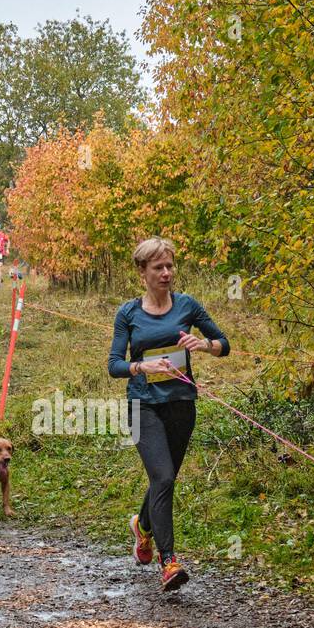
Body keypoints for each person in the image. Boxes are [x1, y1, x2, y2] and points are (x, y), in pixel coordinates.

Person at [107, 237, 230, 591]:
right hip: (142, 405)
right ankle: (169, 561)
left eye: (170, 266)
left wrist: (204, 344)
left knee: (166, 478)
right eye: (158, 267)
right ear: (142, 272)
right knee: (162, 479)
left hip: (181, 403)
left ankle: (142, 527)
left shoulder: (188, 306)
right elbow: (114, 365)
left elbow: (224, 345)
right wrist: (142, 366)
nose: (166, 273)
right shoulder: (128, 313)